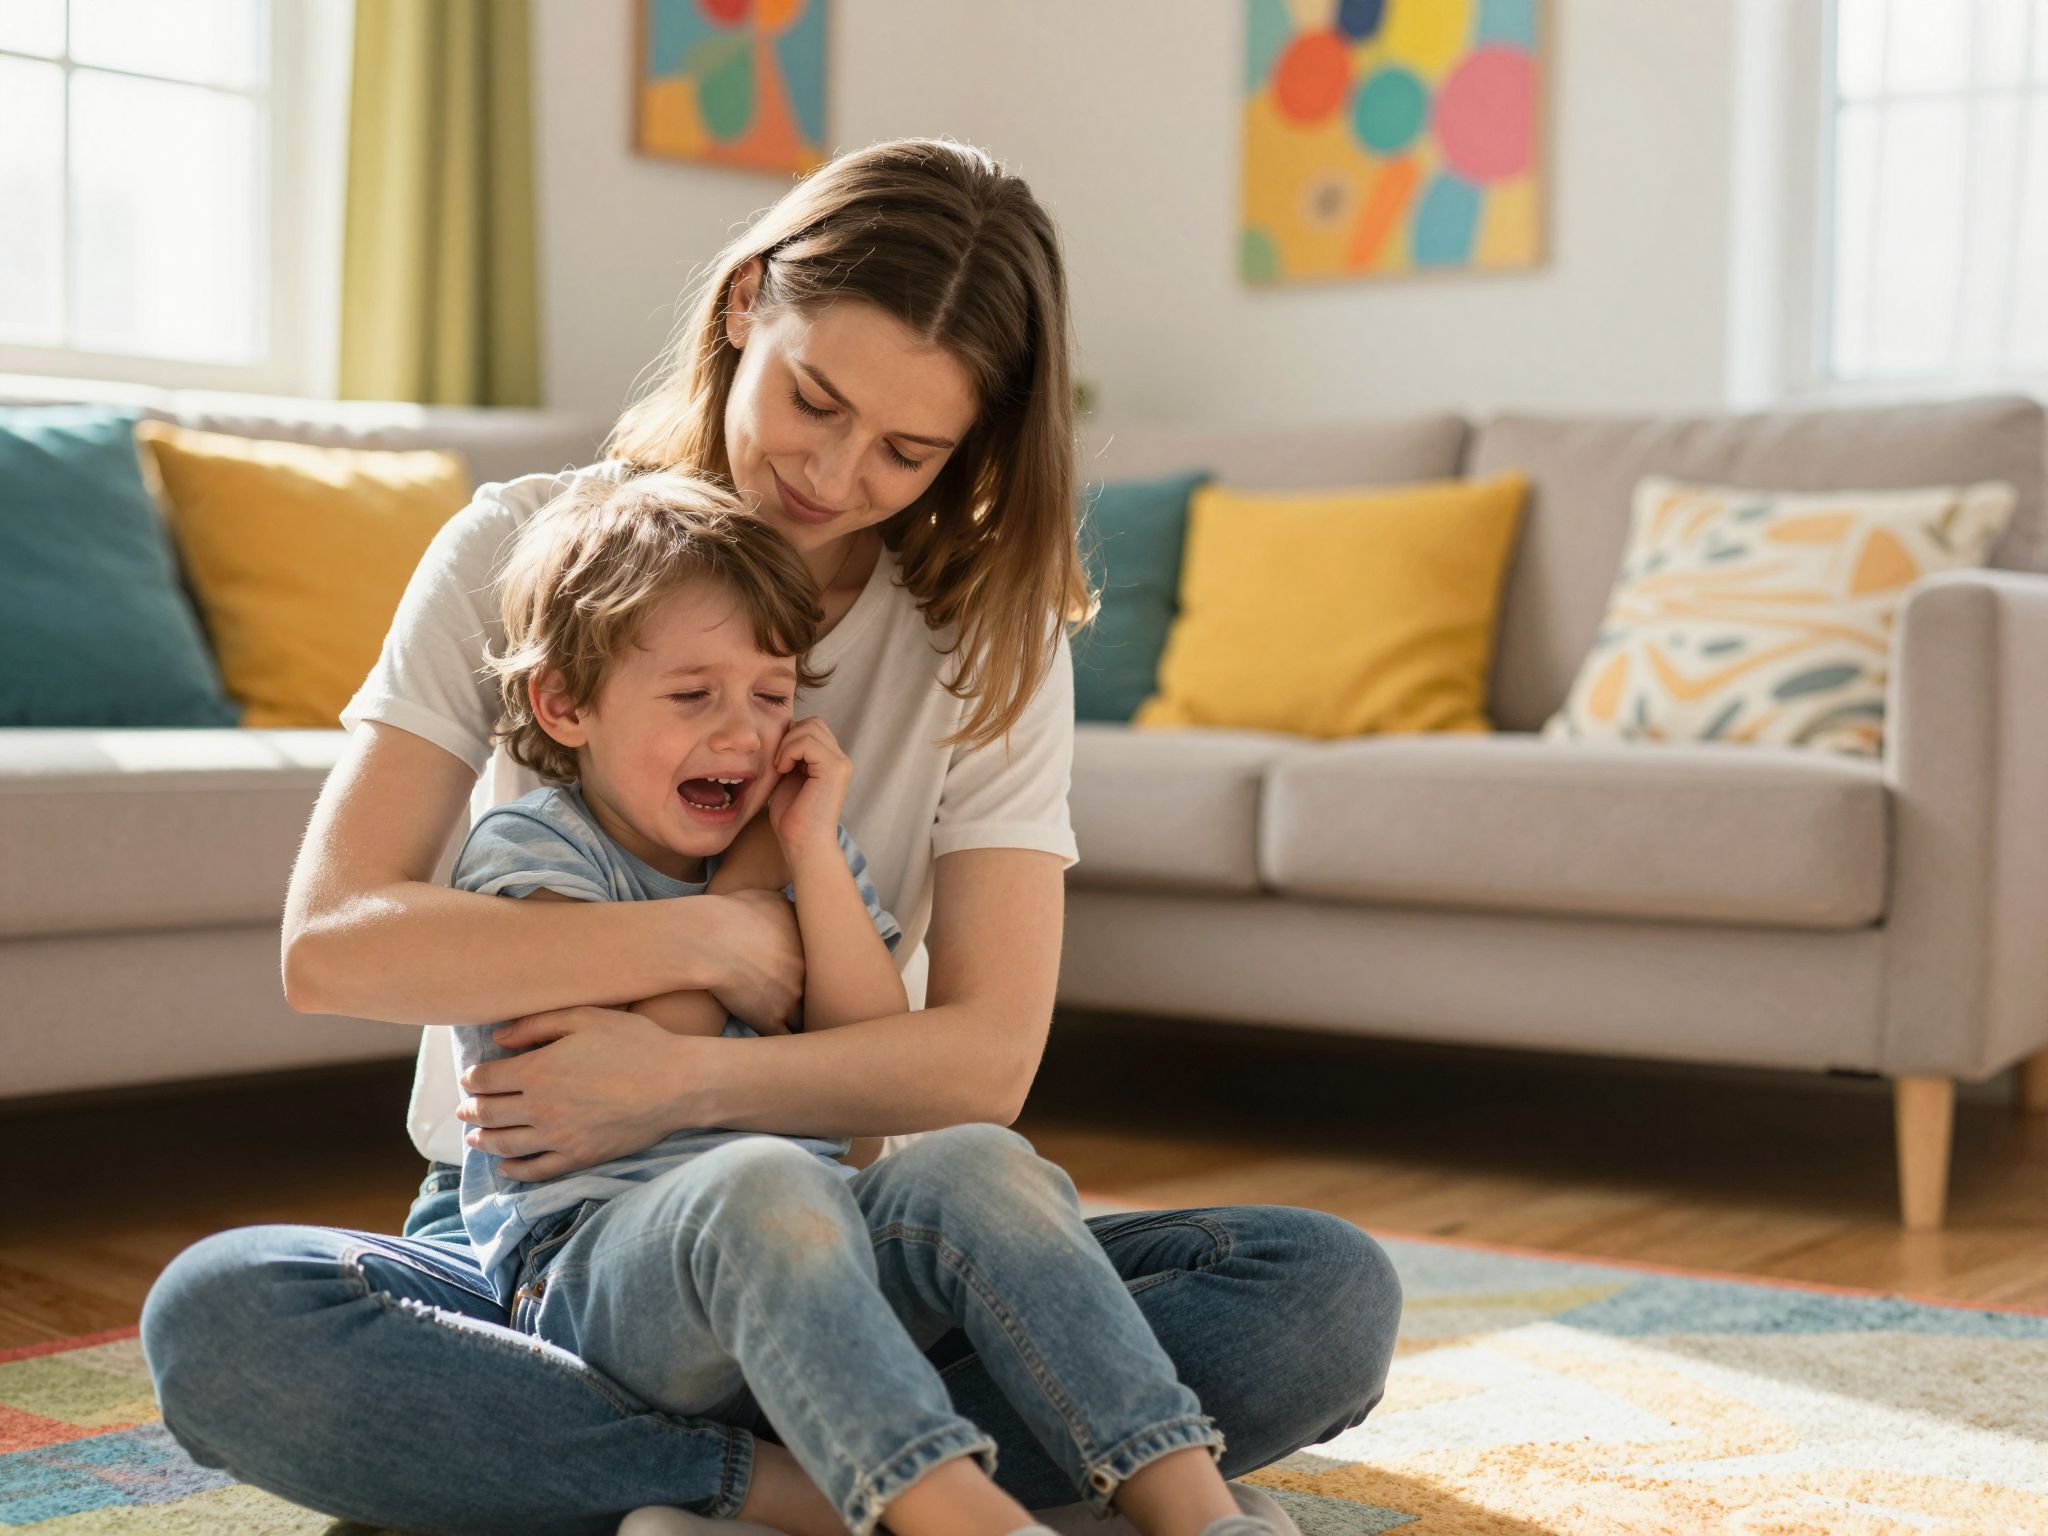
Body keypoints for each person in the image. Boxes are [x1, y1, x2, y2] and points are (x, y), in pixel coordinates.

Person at [138, 137, 1402, 1536]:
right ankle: (843, 1491)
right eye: (815, 399)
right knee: (227, 1321)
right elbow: (330, 950)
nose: (835, 471)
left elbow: (983, 1065)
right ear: (747, 303)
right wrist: (723, 936)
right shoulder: (519, 551)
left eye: (908, 451)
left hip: (844, 1232)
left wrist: (678, 1077)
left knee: (1320, 1292)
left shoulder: (990, 643)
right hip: (548, 1256)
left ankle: (659, 1481)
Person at [441, 466, 1281, 1536]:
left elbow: (871, 1075)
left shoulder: (797, 845)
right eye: (693, 696)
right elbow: (658, 1039)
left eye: (772, 694)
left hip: (815, 1275)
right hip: (600, 1284)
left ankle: (1197, 1513)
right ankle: (965, 1520)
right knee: (755, 1179)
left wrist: (808, 855)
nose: (741, 735)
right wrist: (750, 886)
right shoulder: (529, 851)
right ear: (566, 703)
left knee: (978, 1160)